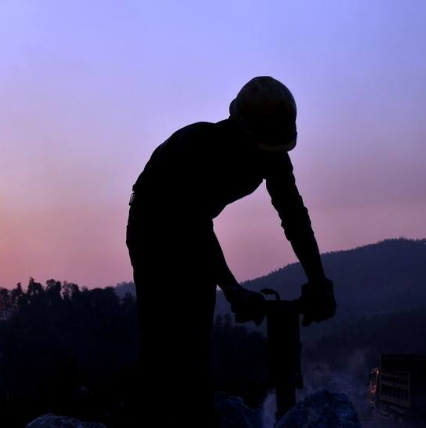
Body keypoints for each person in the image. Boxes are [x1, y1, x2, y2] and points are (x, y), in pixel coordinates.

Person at [125, 76, 336, 427]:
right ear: (242, 130)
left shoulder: (272, 154)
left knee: (195, 341)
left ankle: (192, 411)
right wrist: (233, 288)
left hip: (192, 227)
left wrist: (319, 282)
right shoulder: (197, 146)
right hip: (152, 228)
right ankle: (154, 414)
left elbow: (293, 215)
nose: (268, 156)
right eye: (263, 148)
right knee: (163, 336)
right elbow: (191, 224)